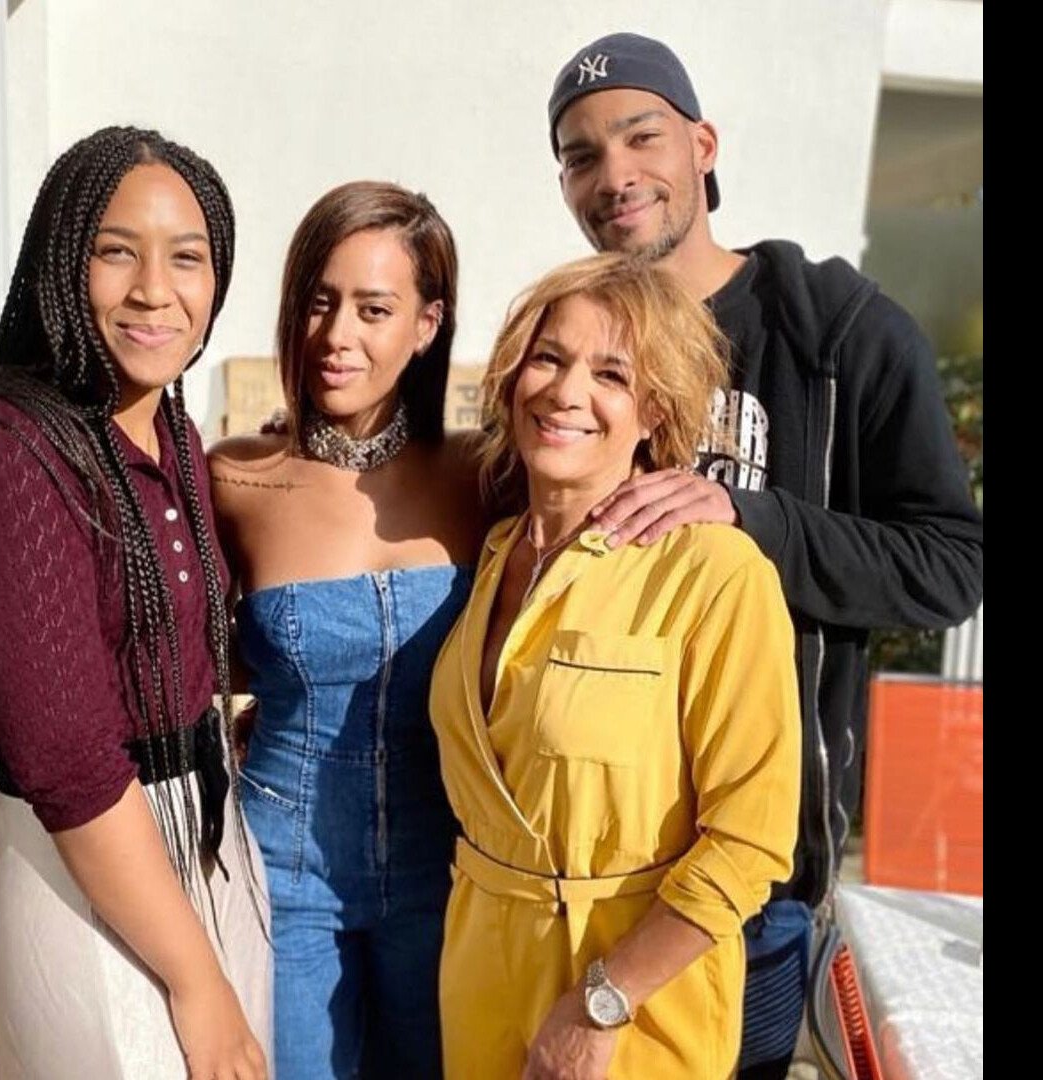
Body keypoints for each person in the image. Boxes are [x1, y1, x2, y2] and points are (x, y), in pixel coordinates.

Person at [545, 31, 984, 1077]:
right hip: (575, 866)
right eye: (579, 154)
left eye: (640, 136)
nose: (614, 175)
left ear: (702, 144)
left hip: (747, 884)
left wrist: (755, 518)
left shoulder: (838, 332)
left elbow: (950, 562)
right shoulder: (581, 345)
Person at [0, 125, 272, 1080]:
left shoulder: (175, 433)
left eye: (187, 257)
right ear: (60, 264)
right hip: (84, 874)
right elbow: (69, 763)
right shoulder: (4, 447)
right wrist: (199, 982)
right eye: (117, 251)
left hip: (208, 845)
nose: (156, 289)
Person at [429, 251, 801, 1079]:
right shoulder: (489, 555)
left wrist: (602, 1002)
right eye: (549, 357)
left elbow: (750, 843)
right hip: (477, 983)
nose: (566, 392)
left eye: (611, 374)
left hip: (634, 1007)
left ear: (654, 411)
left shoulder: (713, 574)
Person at [208, 180, 480, 1079]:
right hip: (281, 872)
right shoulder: (237, 478)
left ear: (427, 324)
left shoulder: (488, 477)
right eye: (319, 303)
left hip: (450, 872)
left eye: (374, 308)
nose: (337, 336)